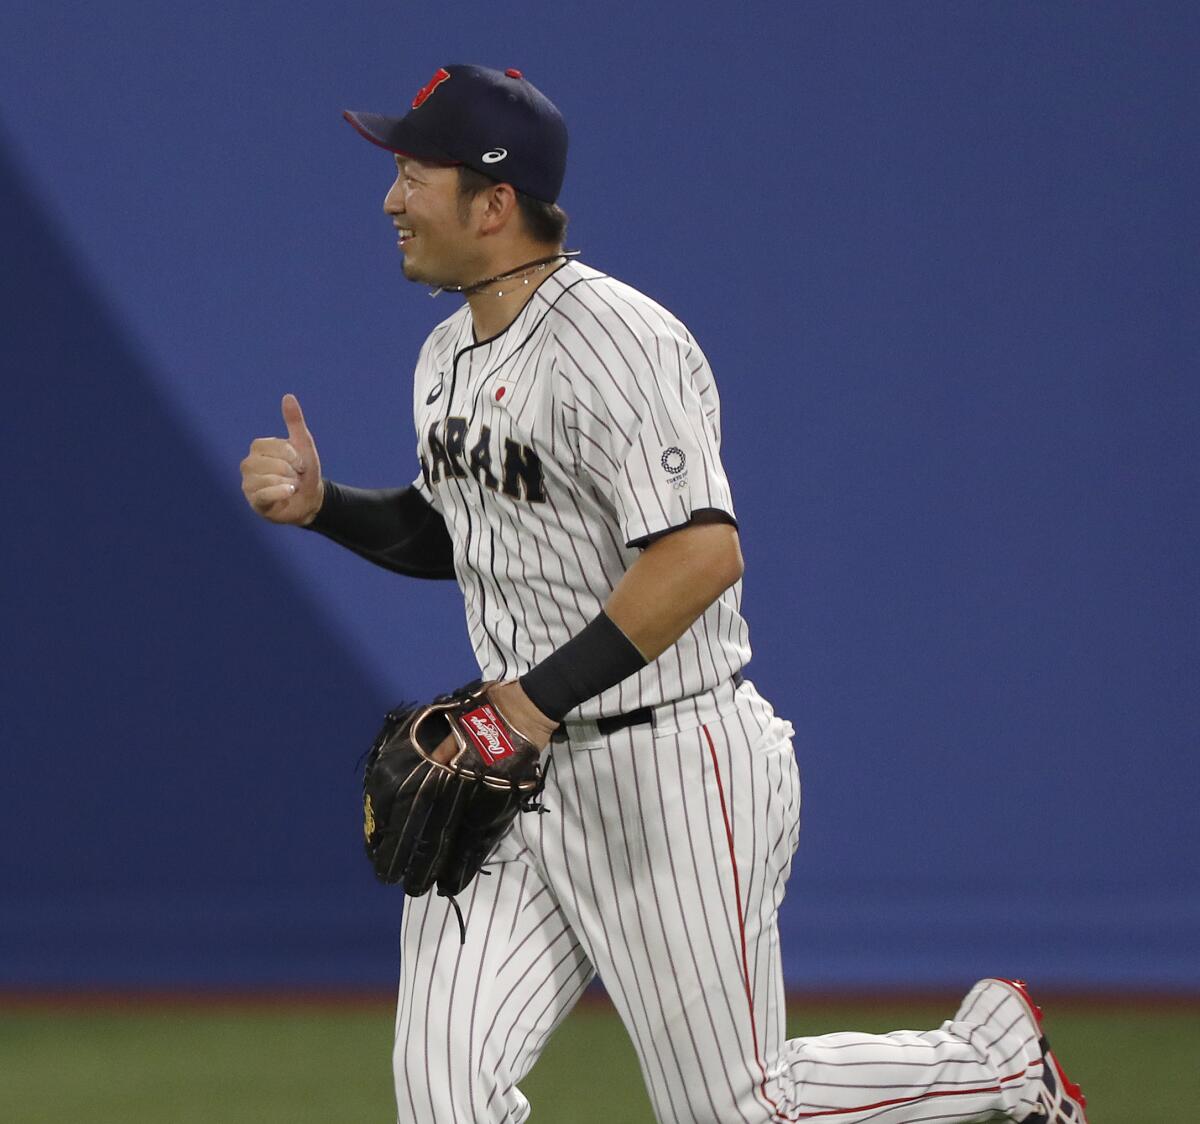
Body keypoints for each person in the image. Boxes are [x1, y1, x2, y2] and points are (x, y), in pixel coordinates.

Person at [239, 63, 1088, 1124]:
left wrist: (528, 702)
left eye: (415, 173)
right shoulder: (445, 352)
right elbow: (456, 529)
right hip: (519, 783)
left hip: (670, 769)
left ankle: (999, 1061)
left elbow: (699, 557)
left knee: (737, 1107)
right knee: (442, 1093)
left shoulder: (621, 342)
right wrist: (326, 505)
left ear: (494, 204)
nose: (391, 199)